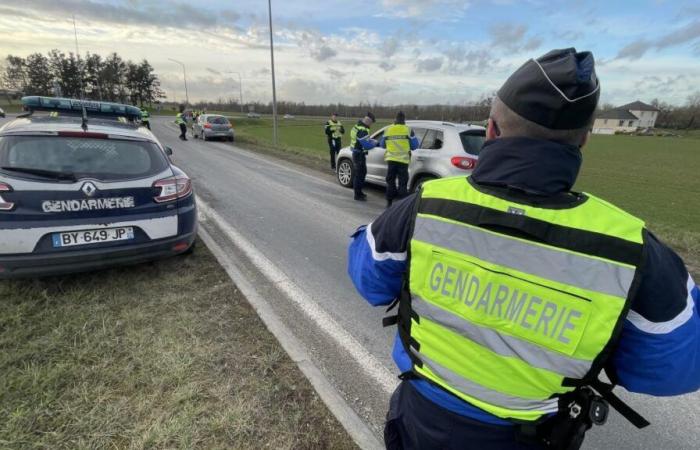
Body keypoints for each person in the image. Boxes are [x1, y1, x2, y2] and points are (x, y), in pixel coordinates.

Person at [348, 48, 700, 449]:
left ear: (492, 130)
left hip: (423, 423)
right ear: (583, 140)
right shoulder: (632, 248)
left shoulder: (426, 205)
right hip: (530, 438)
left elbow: (368, 277)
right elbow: (677, 369)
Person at [379, 111, 419, 207]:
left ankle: (389, 203)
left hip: (391, 160)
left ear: (395, 119)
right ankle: (402, 205)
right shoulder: (409, 130)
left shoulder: (388, 129)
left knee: (390, 181)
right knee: (402, 183)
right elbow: (415, 146)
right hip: (403, 161)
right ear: (404, 119)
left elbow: (382, 145)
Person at [350, 112, 380, 201]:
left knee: (361, 173)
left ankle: (359, 192)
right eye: (371, 122)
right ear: (368, 121)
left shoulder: (357, 126)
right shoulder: (362, 130)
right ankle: (357, 195)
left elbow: (363, 140)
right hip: (359, 154)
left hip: (357, 153)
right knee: (359, 175)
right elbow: (366, 145)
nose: (371, 124)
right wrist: (375, 143)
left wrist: (370, 140)